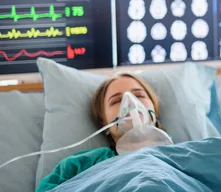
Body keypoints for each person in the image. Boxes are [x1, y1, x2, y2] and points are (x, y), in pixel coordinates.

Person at [37, 74, 165, 191]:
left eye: (139, 96)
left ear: (155, 110)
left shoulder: (183, 153)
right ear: (103, 123)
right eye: (116, 101)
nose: (132, 104)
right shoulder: (79, 165)